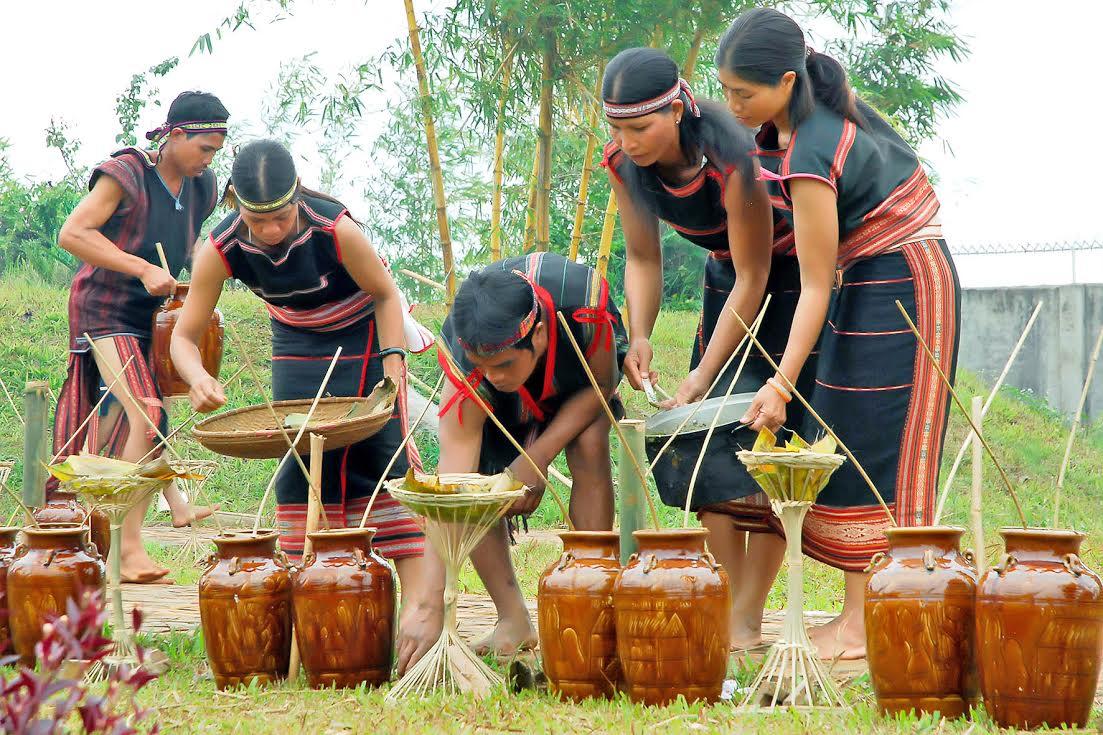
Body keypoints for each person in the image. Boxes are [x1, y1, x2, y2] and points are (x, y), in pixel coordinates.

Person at [713, 7, 960, 659]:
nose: (732, 105)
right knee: (848, 434)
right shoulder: (800, 122)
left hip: (905, 278)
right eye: (726, 90)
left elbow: (814, 282)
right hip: (870, 273)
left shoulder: (813, 146)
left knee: (885, 444)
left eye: (744, 93)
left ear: (787, 82)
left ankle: (871, 619)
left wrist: (779, 381)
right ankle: (863, 615)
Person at [170, 138, 443, 675]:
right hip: (296, 342)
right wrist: (198, 377)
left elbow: (386, 296)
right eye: (256, 219)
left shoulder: (334, 228)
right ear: (234, 206)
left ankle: (420, 629)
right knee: (300, 466)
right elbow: (184, 335)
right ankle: (305, 625)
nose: (271, 231)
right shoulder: (222, 247)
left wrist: (391, 368)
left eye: (280, 217)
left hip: (366, 334)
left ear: (297, 197)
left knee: (380, 463)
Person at [600, 47, 788, 651]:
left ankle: (748, 619)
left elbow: (757, 277)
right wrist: (643, 333)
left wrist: (703, 374)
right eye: (617, 128)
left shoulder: (735, 158)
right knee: (712, 452)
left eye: (640, 127)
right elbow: (643, 256)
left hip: (793, 286)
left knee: (778, 458)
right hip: (726, 284)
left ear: (679, 108)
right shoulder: (624, 166)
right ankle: (728, 609)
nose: (627, 142)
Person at [53, 91, 227, 583]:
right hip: (105, 309)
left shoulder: (202, 186)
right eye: (203, 148)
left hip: (153, 318)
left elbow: (191, 245)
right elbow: (73, 233)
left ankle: (168, 509)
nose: (208, 160)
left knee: (152, 419)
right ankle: (126, 552)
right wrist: (142, 267)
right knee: (147, 414)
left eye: (215, 151)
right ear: (174, 135)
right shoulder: (127, 173)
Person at [436, 252, 627, 655]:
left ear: (537, 334)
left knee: (590, 444)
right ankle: (512, 618)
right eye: (483, 366)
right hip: (500, 409)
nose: (495, 377)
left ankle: (590, 597)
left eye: (504, 364)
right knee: (477, 488)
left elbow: (602, 387)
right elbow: (454, 478)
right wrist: (428, 601)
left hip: (581, 381)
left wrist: (535, 456)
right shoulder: (463, 348)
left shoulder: (584, 306)